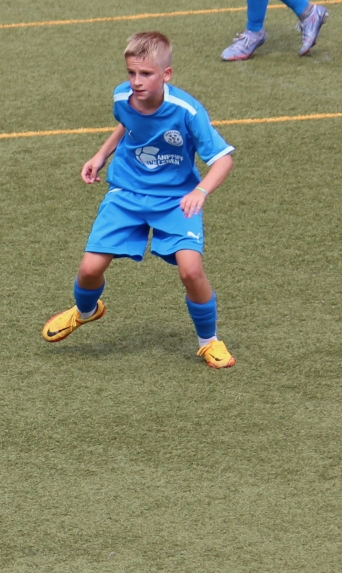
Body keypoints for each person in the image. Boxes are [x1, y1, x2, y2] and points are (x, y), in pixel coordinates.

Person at [43, 32, 238, 367]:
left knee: (191, 271)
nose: (136, 81)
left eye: (146, 74)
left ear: (167, 74)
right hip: (127, 192)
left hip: (176, 199)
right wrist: (101, 155)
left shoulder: (188, 111)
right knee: (89, 269)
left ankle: (209, 341)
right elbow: (127, 124)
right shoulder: (122, 96)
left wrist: (200, 191)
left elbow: (223, 160)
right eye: (131, 72)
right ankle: (86, 311)